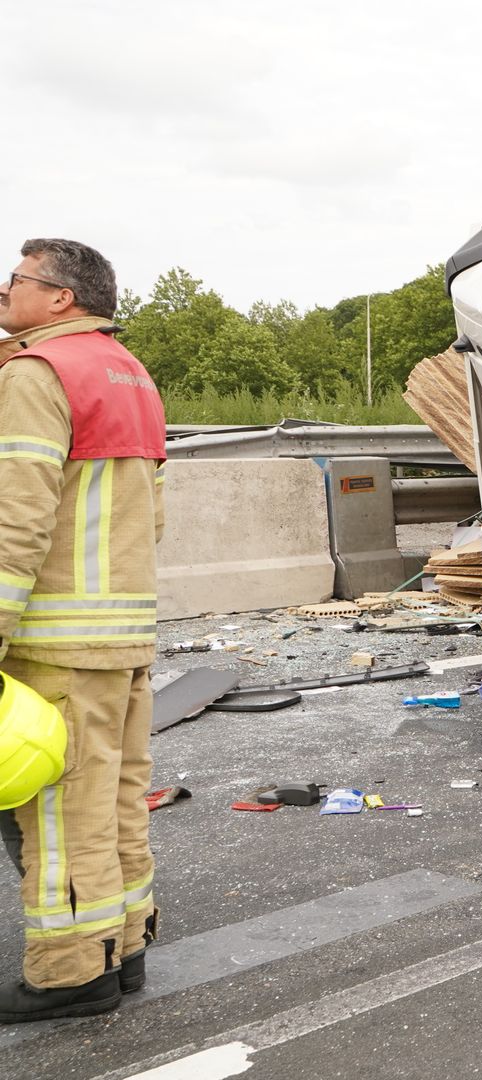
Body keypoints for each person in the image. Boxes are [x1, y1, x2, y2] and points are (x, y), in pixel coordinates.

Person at [0, 240, 166, 1023]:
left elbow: (17, 514)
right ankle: (124, 945)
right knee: (116, 801)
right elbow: (150, 517)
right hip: (122, 631)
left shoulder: (39, 375)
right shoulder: (128, 374)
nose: (6, 291)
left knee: (62, 815)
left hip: (58, 637)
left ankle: (70, 973)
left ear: (60, 297)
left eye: (18, 280)